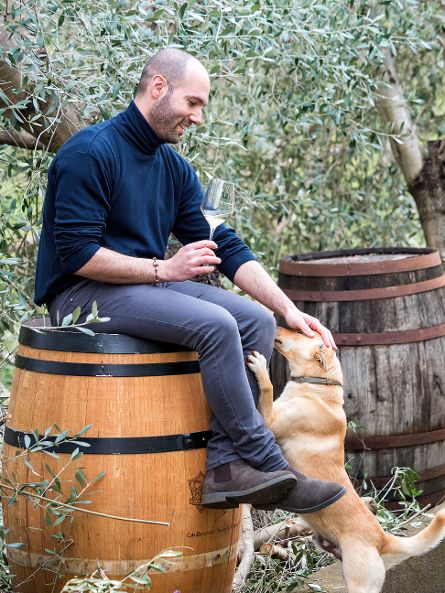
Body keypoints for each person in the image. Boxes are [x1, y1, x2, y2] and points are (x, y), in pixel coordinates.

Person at [34, 48, 345, 513]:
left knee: (254, 320)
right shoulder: (90, 152)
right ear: (158, 88)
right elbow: (77, 254)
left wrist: (288, 309)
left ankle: (224, 467)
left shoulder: (173, 168)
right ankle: (268, 462)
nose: (198, 117)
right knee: (216, 325)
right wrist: (165, 269)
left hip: (140, 287)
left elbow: (228, 250)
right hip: (80, 296)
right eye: (193, 103)